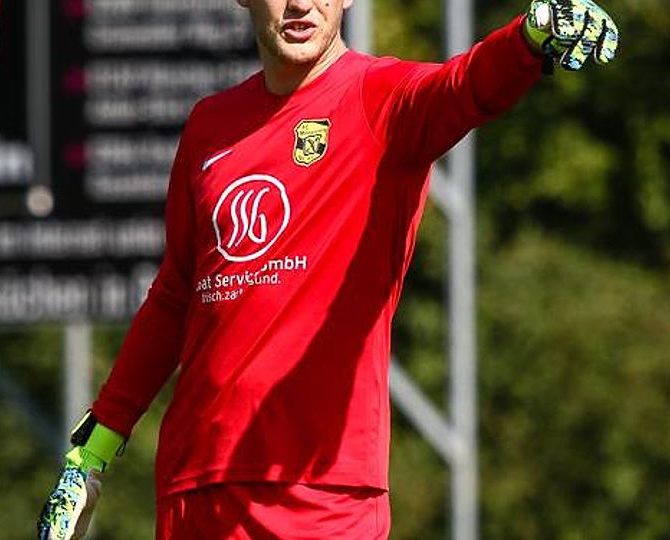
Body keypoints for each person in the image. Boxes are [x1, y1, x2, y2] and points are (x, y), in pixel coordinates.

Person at [37, 0, 619, 538]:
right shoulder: (209, 124)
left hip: (321, 491)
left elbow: (464, 86)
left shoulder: (381, 97)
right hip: (195, 485)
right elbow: (174, 296)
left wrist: (528, 37)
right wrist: (89, 455)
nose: (299, 3)